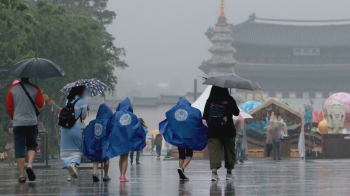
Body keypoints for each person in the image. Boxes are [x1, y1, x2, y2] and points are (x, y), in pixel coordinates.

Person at [6, 78, 44, 183]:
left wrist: (13, 117)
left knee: (19, 147)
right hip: (31, 122)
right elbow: (40, 104)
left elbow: (9, 106)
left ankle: (22, 175)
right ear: (29, 77)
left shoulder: (12, 89)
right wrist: (38, 92)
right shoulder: (35, 88)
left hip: (18, 122)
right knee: (32, 144)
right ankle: (30, 165)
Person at [102, 98, 147, 182]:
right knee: (125, 157)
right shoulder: (132, 116)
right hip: (127, 139)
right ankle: (122, 175)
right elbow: (136, 127)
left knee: (121, 156)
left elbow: (109, 125)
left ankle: (121, 174)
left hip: (118, 139)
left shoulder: (116, 115)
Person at [203, 86, 239, 181]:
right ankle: (229, 173)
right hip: (228, 130)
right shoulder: (229, 99)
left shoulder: (210, 100)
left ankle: (214, 174)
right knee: (229, 151)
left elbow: (205, 115)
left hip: (213, 131)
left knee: (214, 151)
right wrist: (231, 102)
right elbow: (236, 113)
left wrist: (211, 125)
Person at [60, 86, 88, 181]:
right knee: (77, 149)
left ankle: (70, 175)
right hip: (75, 127)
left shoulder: (68, 100)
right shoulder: (83, 101)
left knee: (67, 150)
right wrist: (87, 108)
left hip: (65, 128)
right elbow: (83, 117)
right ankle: (73, 164)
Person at [83, 103, 113, 182]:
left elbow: (89, 130)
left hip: (96, 143)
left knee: (96, 158)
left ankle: (95, 172)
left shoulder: (94, 122)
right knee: (106, 159)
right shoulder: (109, 122)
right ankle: (105, 175)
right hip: (105, 144)